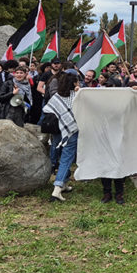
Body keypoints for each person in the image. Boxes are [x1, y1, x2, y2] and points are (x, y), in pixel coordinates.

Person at [44, 70, 80, 202]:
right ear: (74, 83)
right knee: (66, 158)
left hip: (58, 130)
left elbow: (47, 109)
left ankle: (64, 184)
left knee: (62, 157)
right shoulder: (76, 96)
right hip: (71, 131)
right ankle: (57, 189)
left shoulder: (57, 96)